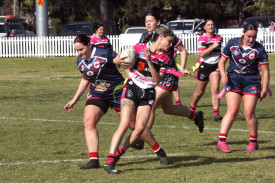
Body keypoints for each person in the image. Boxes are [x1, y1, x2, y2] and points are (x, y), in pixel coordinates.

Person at [103, 25, 175, 174]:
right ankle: (110, 160)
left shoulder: (166, 58)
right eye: (169, 41)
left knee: (140, 128)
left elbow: (156, 81)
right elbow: (117, 60)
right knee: (124, 124)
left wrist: (149, 61)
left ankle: (117, 155)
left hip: (148, 93)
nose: (171, 44)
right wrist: (118, 60)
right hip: (131, 88)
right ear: (161, 38)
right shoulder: (139, 47)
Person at [131, 9, 204, 150]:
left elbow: (183, 50)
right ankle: (195, 116)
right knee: (168, 109)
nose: (147, 23)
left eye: (150, 20)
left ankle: (141, 138)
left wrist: (182, 67)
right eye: (146, 21)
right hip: (153, 75)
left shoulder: (168, 36)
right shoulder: (145, 36)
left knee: (151, 105)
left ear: (158, 22)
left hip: (167, 75)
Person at [64, 34, 128, 169]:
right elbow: (85, 79)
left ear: (89, 45)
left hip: (117, 91)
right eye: (77, 50)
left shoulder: (104, 52)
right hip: (98, 93)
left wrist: (120, 61)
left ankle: (158, 150)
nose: (79, 53)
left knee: (134, 125)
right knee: (88, 121)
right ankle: (94, 160)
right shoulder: (80, 61)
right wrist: (75, 99)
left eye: (81, 49)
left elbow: (121, 61)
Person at [216, 23, 270, 153]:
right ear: (243, 33)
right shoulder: (232, 44)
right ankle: (221, 142)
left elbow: (266, 72)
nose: (251, 39)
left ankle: (253, 142)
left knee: (249, 112)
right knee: (232, 110)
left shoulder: (259, 49)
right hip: (233, 79)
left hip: (251, 81)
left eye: (254, 37)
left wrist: (264, 89)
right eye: (248, 36)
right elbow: (221, 62)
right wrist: (223, 74)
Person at [190, 19, 223, 121]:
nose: (210, 26)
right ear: (204, 27)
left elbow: (220, 53)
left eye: (212, 24)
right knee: (200, 92)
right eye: (208, 25)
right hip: (204, 66)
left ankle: (216, 114)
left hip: (215, 66)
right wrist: (213, 46)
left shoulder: (219, 38)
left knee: (215, 89)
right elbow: (202, 54)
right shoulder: (202, 39)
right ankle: (192, 109)